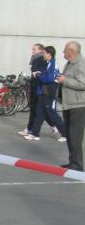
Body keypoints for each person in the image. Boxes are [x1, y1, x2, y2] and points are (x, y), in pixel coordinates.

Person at [24, 46, 67, 143]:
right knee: (39, 113)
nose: (43, 55)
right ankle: (35, 134)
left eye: (44, 53)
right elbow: (46, 75)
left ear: (49, 54)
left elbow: (49, 78)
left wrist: (38, 75)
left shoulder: (53, 64)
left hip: (48, 93)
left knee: (52, 114)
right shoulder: (49, 63)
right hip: (43, 92)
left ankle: (65, 134)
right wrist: (40, 73)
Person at [57, 41, 85, 171]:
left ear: (71, 51)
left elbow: (83, 84)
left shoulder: (81, 64)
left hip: (78, 105)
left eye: (65, 51)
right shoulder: (70, 63)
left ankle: (77, 165)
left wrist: (65, 80)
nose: (63, 53)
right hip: (69, 104)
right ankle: (73, 162)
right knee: (69, 134)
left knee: (75, 136)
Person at [18, 43, 55, 137]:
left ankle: (33, 129)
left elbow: (42, 74)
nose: (32, 51)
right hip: (35, 87)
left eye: (35, 49)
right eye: (32, 49)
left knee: (38, 110)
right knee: (37, 110)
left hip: (38, 88)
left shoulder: (41, 60)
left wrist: (36, 74)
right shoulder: (36, 59)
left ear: (40, 50)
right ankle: (51, 125)